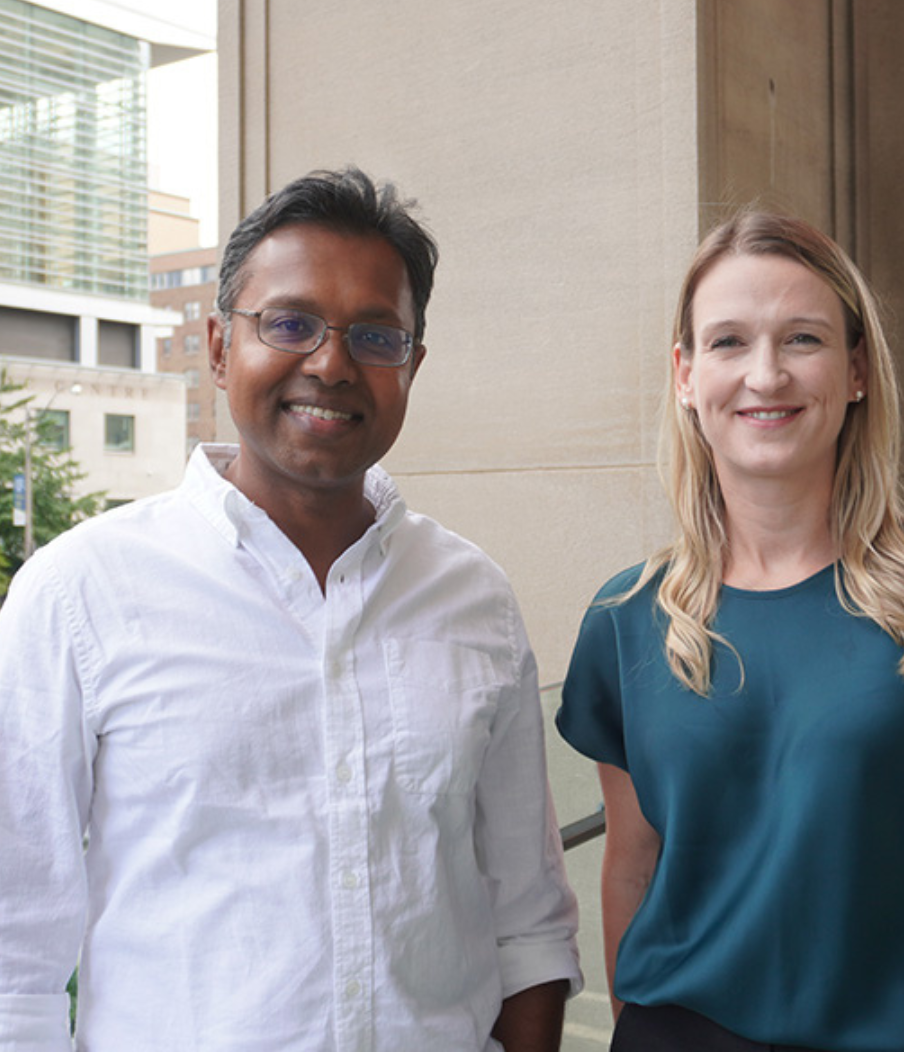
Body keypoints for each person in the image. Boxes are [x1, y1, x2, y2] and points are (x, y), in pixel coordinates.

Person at [0, 166, 581, 1051]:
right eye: (290, 323)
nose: (332, 363)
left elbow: (527, 924)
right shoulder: (82, 591)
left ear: (412, 365)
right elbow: (16, 951)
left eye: (377, 336)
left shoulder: (475, 599)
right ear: (219, 344)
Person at [556, 210, 904, 1052]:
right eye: (728, 342)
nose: (765, 375)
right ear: (686, 376)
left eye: (802, 338)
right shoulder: (628, 618)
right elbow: (632, 861)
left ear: (857, 368)